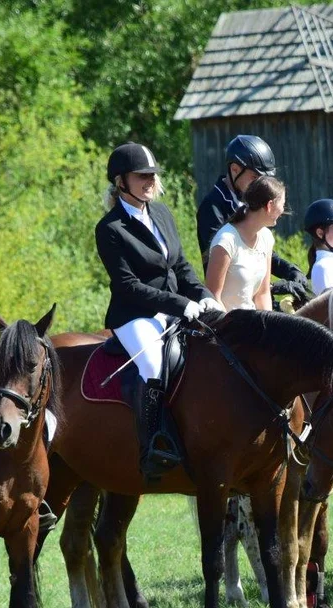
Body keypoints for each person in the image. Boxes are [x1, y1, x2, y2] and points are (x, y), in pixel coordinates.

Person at [96, 142, 220, 479]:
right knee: (153, 363)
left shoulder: (162, 214)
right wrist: (181, 304)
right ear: (121, 181)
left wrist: (205, 295)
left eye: (152, 175)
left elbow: (181, 266)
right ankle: (154, 444)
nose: (150, 181)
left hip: (173, 309)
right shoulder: (110, 228)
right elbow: (128, 285)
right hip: (134, 315)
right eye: (142, 176)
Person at [196, 135, 310, 304]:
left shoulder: (247, 203)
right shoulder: (212, 207)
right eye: (255, 178)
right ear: (235, 170)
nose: (261, 185)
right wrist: (272, 287)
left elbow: (260, 250)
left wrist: (290, 271)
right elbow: (229, 264)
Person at [204, 176, 284, 311]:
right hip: (225, 326)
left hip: (252, 323)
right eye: (282, 204)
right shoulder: (226, 241)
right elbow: (213, 297)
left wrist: (268, 328)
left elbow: (263, 294)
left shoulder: (266, 237)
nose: (283, 210)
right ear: (270, 206)